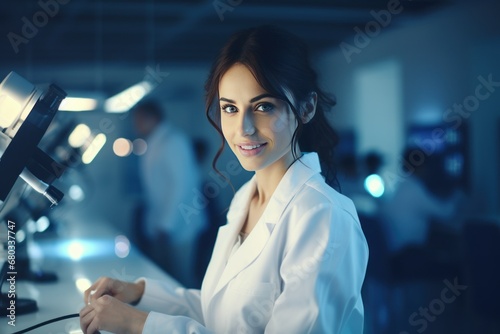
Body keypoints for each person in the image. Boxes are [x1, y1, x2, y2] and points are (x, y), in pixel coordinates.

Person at [80, 26, 369, 334]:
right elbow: (222, 312)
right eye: (230, 108)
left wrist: (141, 325)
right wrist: (139, 293)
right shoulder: (246, 197)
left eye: (263, 106)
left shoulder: (323, 217)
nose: (242, 128)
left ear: (307, 108)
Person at [131, 99, 208, 288]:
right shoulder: (156, 142)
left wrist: (166, 224)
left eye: (139, 120)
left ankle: (193, 318)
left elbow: (181, 186)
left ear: (152, 118)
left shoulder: (174, 141)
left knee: (182, 281)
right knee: (168, 279)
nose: (136, 126)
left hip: (179, 225)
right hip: (164, 226)